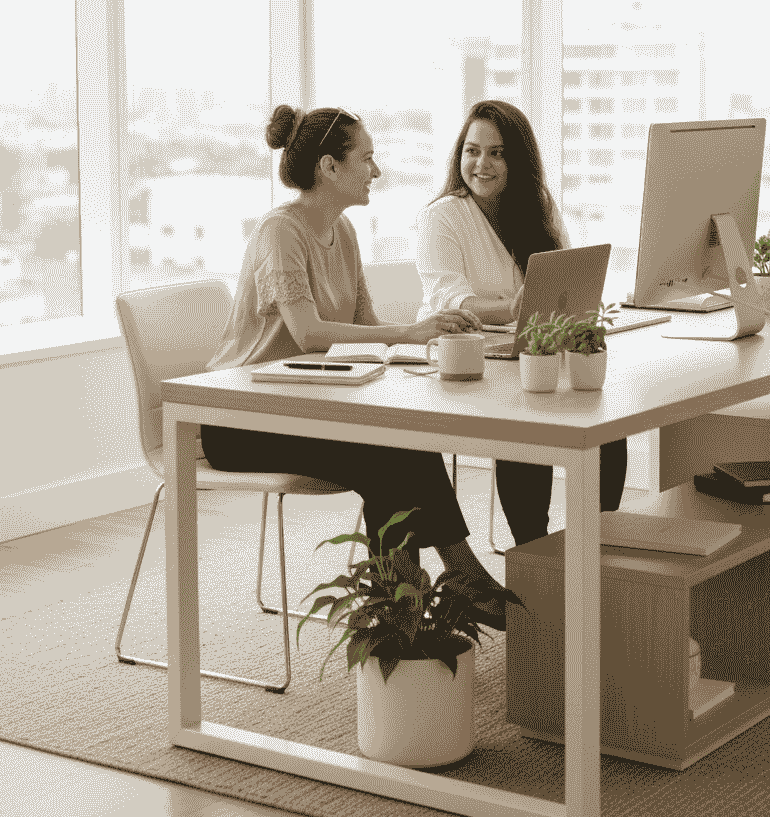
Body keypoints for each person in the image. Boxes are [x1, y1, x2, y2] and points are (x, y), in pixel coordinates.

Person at [202, 104, 506, 623]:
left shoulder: (341, 230)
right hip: (240, 418)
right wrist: (408, 331)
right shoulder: (281, 231)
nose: (377, 170)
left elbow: (365, 326)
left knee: (401, 440)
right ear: (330, 167)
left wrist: (421, 348)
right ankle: (437, 589)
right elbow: (309, 333)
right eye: (367, 158)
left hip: (310, 402)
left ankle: (412, 604)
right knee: (387, 454)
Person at [416, 99, 627, 546]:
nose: (481, 164)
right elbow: (448, 299)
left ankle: (598, 540)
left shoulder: (538, 208)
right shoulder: (443, 216)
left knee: (607, 418)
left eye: (497, 152)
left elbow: (567, 276)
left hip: (527, 353)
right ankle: (534, 549)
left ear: (519, 160)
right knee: (528, 417)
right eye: (472, 151)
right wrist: (515, 308)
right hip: (460, 364)